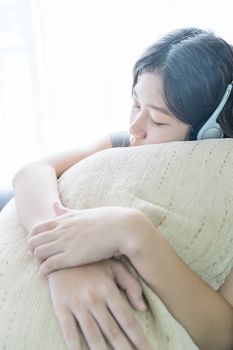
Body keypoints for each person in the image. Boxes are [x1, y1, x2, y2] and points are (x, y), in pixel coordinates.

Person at [13, 27, 233, 350]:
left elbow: (224, 336)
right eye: (135, 104)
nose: (135, 128)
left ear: (208, 136)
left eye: (157, 121)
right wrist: (61, 260)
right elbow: (31, 172)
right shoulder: (122, 143)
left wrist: (135, 233)